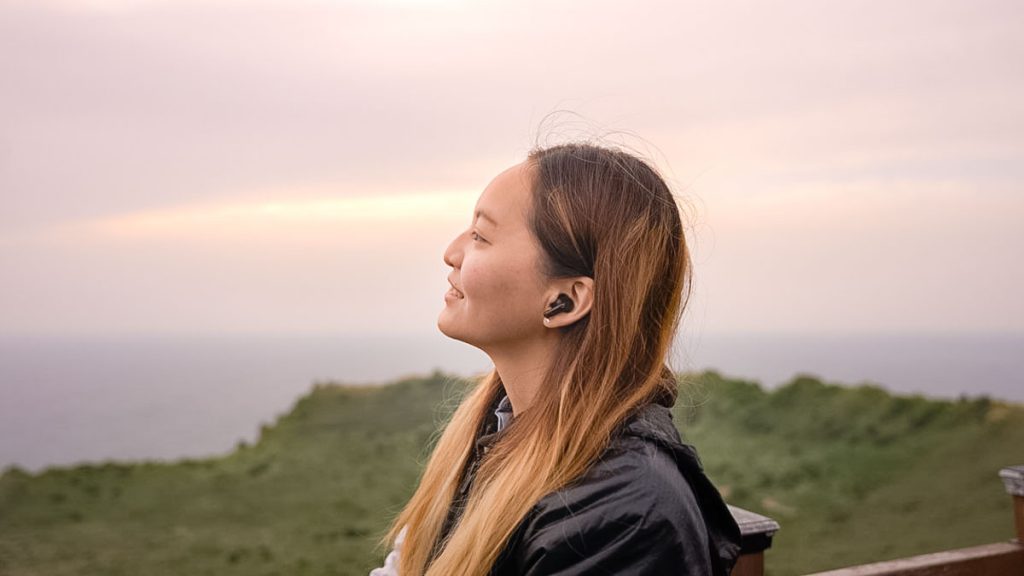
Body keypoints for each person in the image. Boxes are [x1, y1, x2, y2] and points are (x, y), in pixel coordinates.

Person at [370, 142, 742, 576]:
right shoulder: (493, 433)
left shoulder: (624, 512)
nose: (451, 253)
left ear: (564, 301)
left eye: (480, 236)